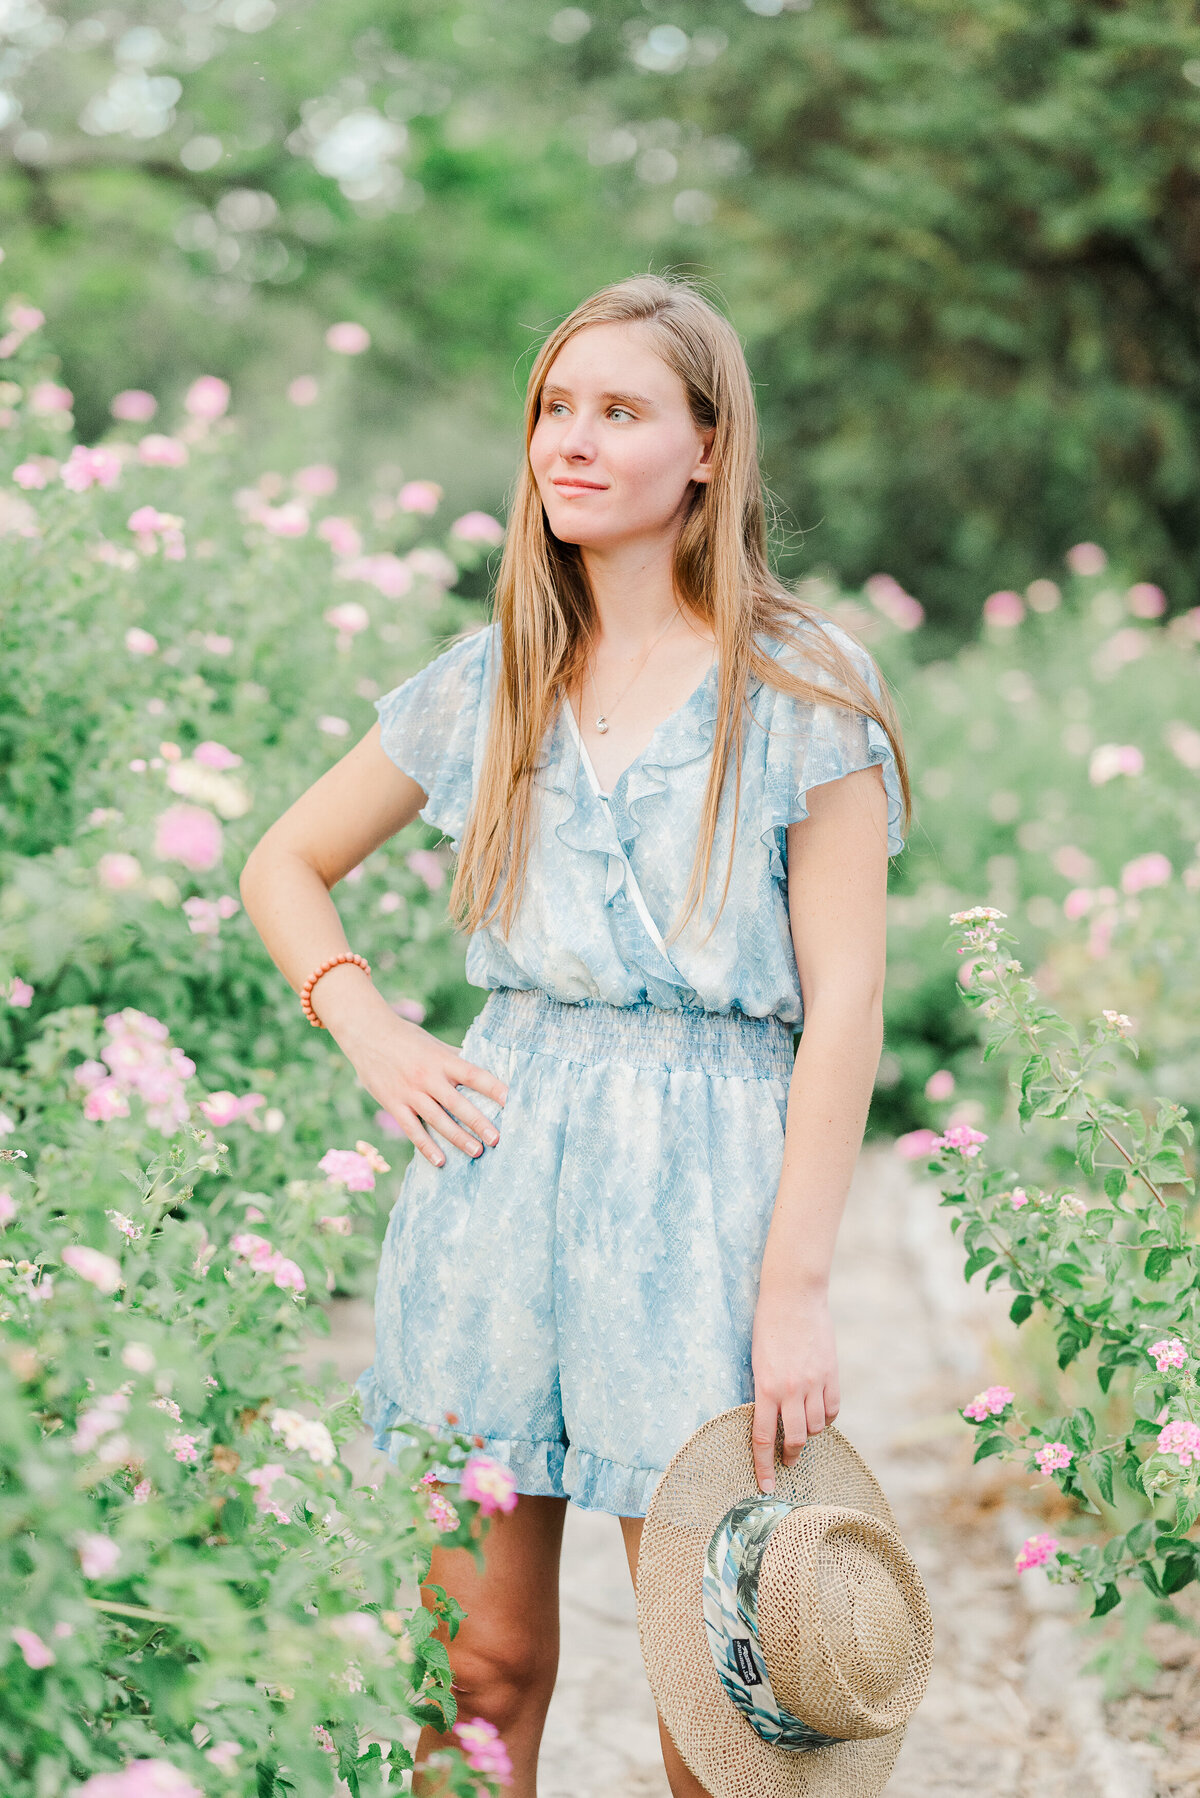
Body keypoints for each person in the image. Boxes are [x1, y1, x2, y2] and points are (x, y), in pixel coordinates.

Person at [239, 273, 910, 1798]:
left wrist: (795, 1288)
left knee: (723, 1689)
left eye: (621, 411)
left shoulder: (805, 691)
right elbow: (281, 861)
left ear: (706, 446)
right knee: (474, 1664)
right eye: (556, 407)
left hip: (708, 1200)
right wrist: (375, 1030)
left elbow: (848, 1005)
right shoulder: (493, 679)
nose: (572, 441)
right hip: (494, 1178)